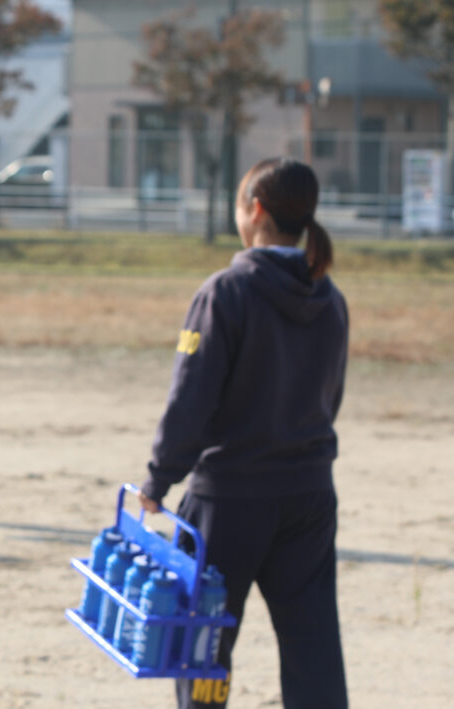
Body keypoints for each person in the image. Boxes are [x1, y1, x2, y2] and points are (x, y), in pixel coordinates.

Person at [137, 158, 349, 709]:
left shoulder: (226, 292)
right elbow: (332, 396)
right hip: (308, 494)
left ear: (254, 210)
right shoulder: (329, 298)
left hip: (231, 499)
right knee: (314, 646)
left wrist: (159, 478)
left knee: (204, 646)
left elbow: (191, 399)